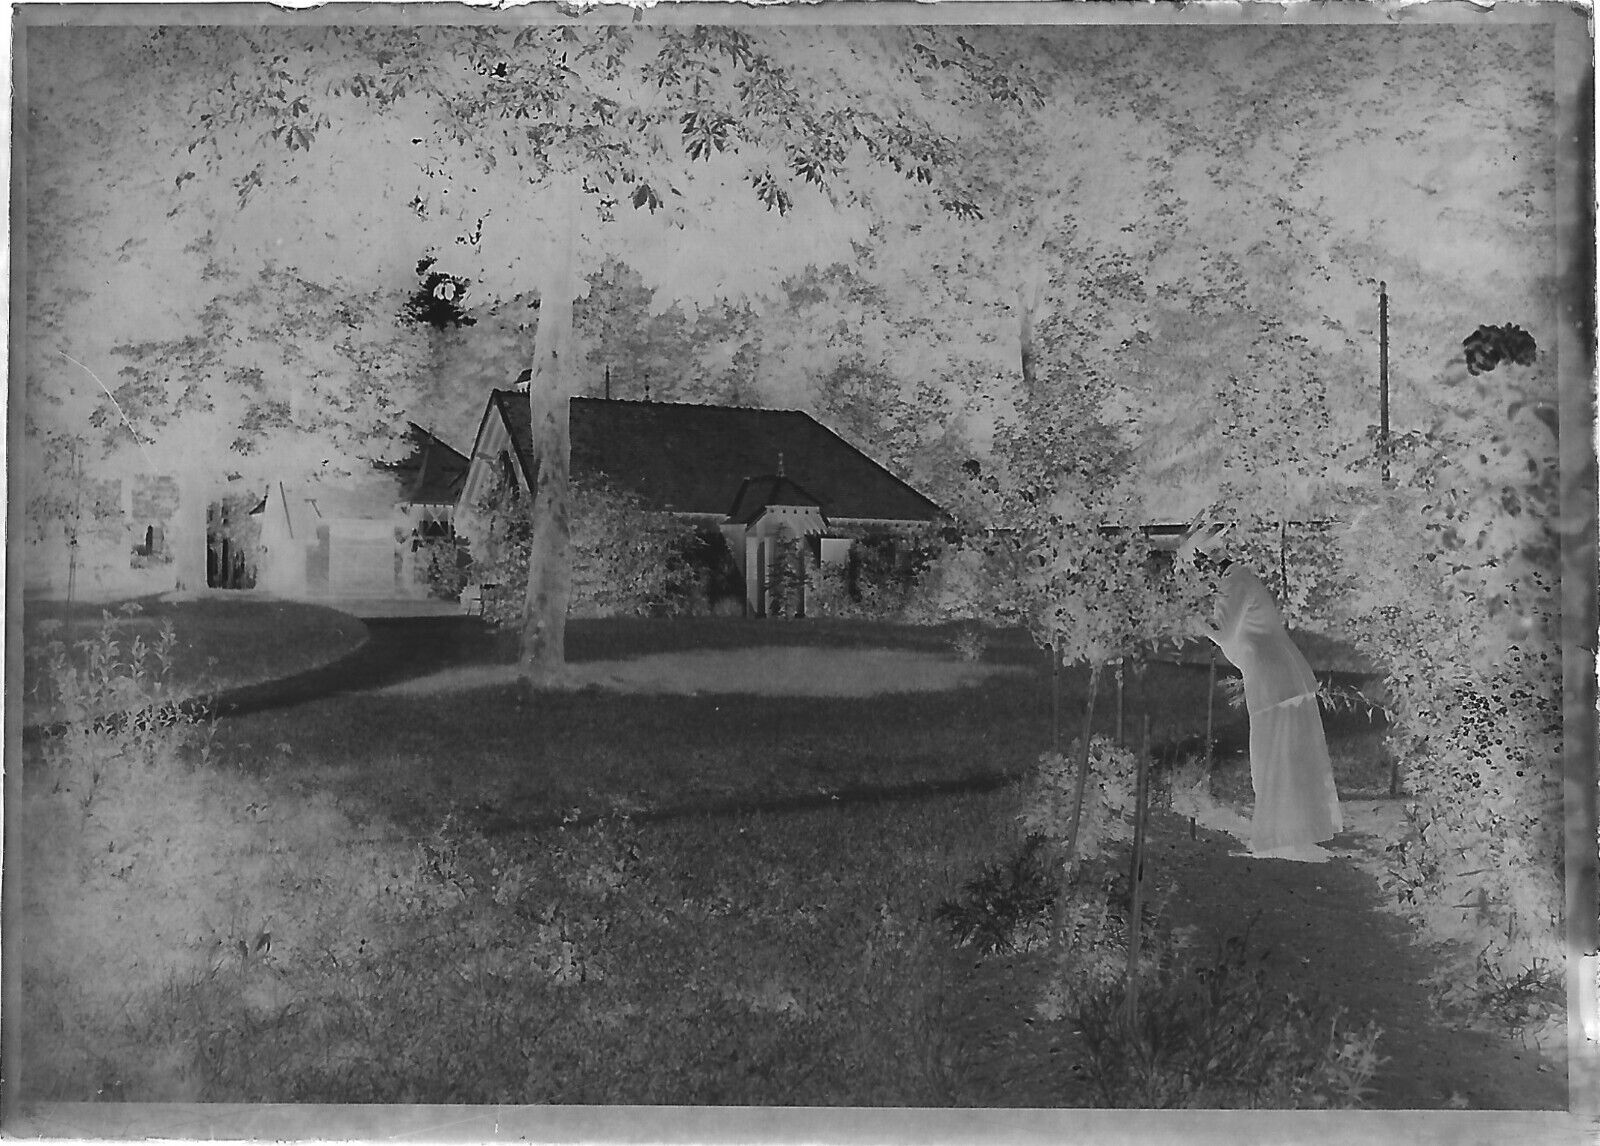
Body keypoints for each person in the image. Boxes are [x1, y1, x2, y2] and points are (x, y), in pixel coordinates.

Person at [1201, 559, 1342, 855]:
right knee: (1280, 758)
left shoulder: (1235, 582)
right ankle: (1287, 834)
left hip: (1275, 681)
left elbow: (1222, 632)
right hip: (1277, 678)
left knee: (1273, 758)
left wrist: (1187, 617)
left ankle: (1282, 837)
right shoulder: (1238, 580)